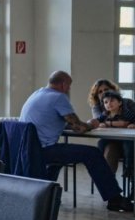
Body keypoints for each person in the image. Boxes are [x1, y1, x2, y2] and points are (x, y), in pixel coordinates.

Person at [20, 71, 132, 212]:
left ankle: (46, 195)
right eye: (69, 86)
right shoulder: (59, 97)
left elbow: (55, 121)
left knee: (58, 161)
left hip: (30, 150)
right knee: (92, 153)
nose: (69, 89)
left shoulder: (37, 94)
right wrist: (91, 124)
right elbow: (79, 127)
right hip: (44, 150)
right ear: (63, 84)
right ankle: (115, 199)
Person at [87, 79, 135, 172]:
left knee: (129, 145)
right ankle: (102, 174)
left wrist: (131, 123)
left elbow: (132, 119)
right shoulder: (102, 110)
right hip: (111, 139)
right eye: (100, 92)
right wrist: (118, 123)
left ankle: (129, 170)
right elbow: (98, 122)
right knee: (102, 144)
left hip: (128, 139)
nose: (103, 93)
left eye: (106, 89)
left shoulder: (126, 106)